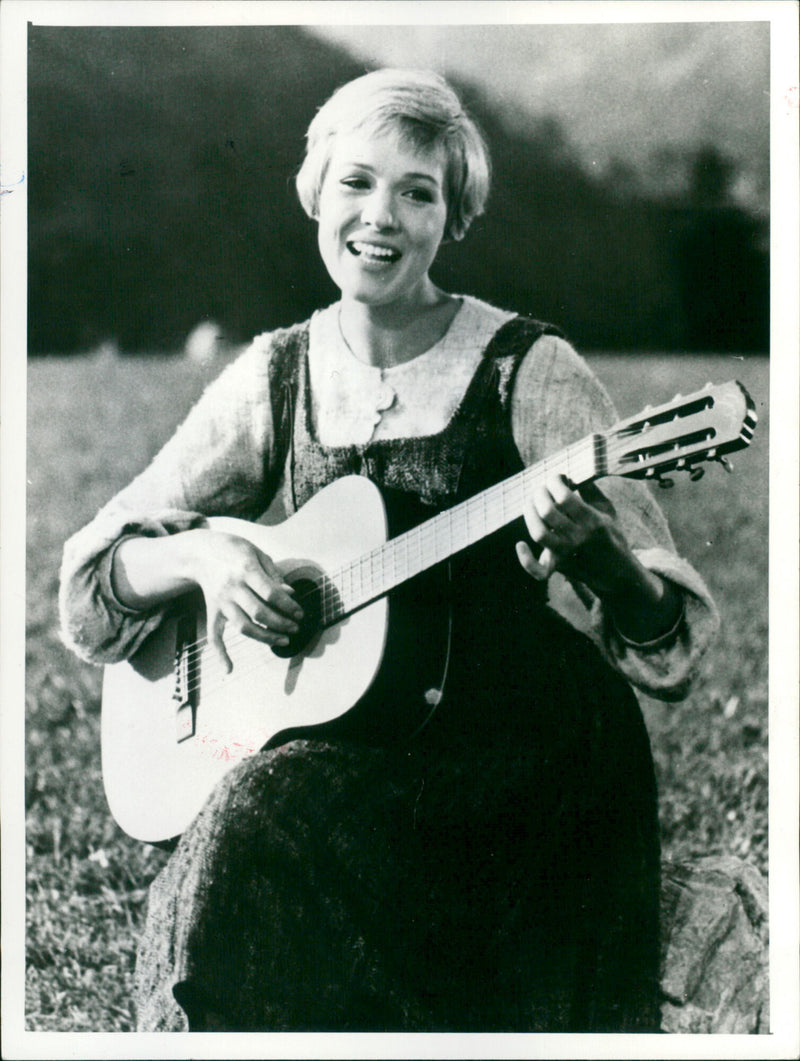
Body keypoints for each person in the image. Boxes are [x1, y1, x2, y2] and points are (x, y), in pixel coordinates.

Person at [59, 68, 719, 1032]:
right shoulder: (274, 374)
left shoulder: (530, 370)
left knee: (257, 814)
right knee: (256, 806)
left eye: (420, 192)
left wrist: (605, 560)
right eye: (358, 182)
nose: (383, 215)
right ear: (317, 193)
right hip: (345, 749)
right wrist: (201, 560)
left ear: (453, 219)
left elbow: (672, 645)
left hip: (515, 761)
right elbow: (92, 579)